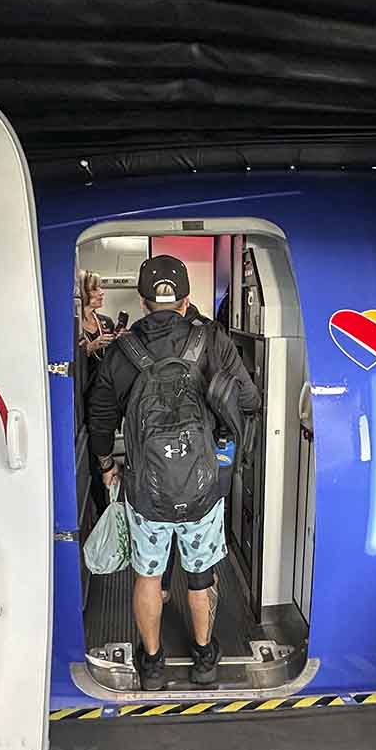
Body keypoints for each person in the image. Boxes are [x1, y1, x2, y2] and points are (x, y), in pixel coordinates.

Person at [86, 255, 260, 690]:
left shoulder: (121, 350)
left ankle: (152, 665)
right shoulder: (212, 340)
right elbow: (249, 399)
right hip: (202, 487)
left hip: (146, 491)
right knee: (200, 576)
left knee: (147, 576)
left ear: (143, 302)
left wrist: (107, 465)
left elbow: (100, 415)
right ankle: (204, 659)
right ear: (186, 299)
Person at [78, 272, 117, 513]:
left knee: (104, 449)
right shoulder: (70, 324)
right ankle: (98, 512)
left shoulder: (106, 322)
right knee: (91, 461)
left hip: (103, 398)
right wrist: (88, 349)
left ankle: (107, 506)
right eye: (95, 289)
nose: (101, 292)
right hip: (82, 398)